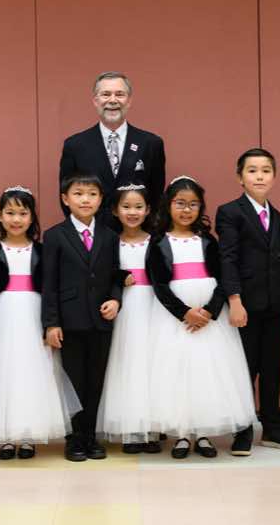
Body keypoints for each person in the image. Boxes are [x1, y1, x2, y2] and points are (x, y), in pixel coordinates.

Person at [147, 176, 256, 459]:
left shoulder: (208, 241)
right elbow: (159, 285)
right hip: (176, 320)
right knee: (178, 372)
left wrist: (209, 311)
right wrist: (184, 313)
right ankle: (182, 434)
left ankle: (203, 433)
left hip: (209, 320)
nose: (187, 210)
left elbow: (222, 278)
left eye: (193, 204)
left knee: (207, 373)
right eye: (180, 203)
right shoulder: (158, 242)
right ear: (168, 205)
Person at [0, 186, 78, 460]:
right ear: (0, 216)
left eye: (22, 213)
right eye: (10, 213)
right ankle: (6, 436)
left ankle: (28, 434)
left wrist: (50, 324)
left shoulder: (42, 250)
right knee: (2, 373)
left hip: (33, 316)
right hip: (1, 317)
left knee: (32, 371)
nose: (16, 219)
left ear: (32, 217)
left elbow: (52, 289)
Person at [215, 148, 280, 456]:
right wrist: (234, 300)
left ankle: (273, 428)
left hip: (274, 304)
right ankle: (242, 429)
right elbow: (227, 259)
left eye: (266, 170)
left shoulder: (278, 216)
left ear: (274, 177)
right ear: (240, 177)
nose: (259, 176)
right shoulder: (230, 212)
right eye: (252, 170)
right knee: (245, 367)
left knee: (271, 367)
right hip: (245, 304)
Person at [42, 174, 122, 461]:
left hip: (101, 319)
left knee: (96, 380)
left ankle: (91, 436)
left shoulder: (110, 236)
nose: (85, 199)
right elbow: (49, 282)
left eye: (92, 194)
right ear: (65, 199)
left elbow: (116, 274)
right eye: (78, 194)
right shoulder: (54, 235)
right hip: (69, 320)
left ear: (101, 200)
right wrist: (51, 323)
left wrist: (116, 299)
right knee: (73, 380)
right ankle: (74, 438)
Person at [97, 183, 161, 454]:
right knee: (127, 361)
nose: (132, 212)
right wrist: (119, 277)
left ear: (148, 210)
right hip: (125, 307)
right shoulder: (109, 241)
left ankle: (153, 427)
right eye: (126, 206)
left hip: (153, 305)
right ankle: (130, 429)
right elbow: (103, 272)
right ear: (115, 210)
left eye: (138, 207)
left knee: (152, 363)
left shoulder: (156, 240)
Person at [59, 71, 166, 226]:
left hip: (136, 232)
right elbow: (67, 196)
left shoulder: (151, 143)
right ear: (95, 101)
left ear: (129, 101)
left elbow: (156, 195)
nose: (113, 100)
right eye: (106, 94)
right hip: (93, 233)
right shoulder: (75, 145)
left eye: (120, 94)